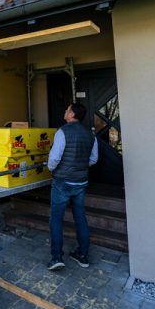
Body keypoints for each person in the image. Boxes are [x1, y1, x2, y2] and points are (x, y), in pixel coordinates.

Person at [46, 102, 98, 271]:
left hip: (63, 181)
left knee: (56, 219)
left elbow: (54, 158)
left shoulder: (62, 131)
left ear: (72, 114)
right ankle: (82, 255)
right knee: (80, 217)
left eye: (67, 109)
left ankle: (56, 258)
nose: (65, 111)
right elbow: (93, 159)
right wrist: (80, 167)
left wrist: (51, 169)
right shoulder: (90, 135)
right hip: (81, 182)